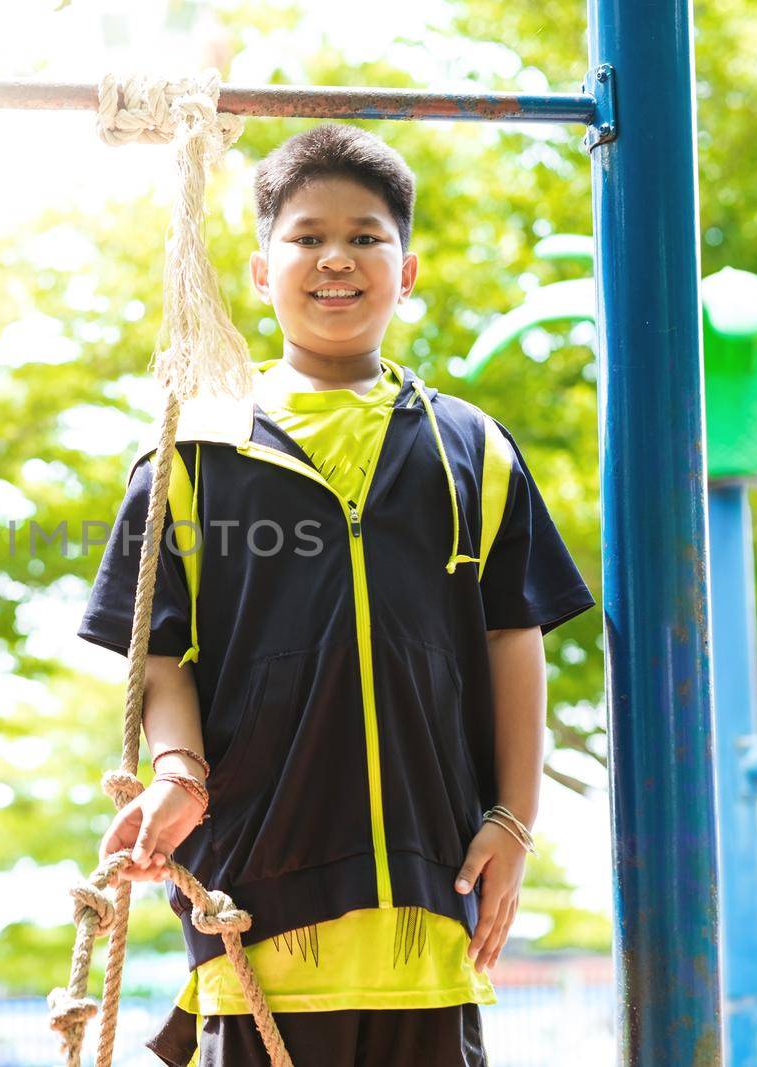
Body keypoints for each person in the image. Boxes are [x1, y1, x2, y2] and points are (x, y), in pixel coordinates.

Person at [76, 123, 595, 1066]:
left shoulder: (472, 447)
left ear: (408, 269)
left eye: (366, 235)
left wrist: (515, 819)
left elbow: (513, 636)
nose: (336, 258)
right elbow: (158, 650)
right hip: (255, 909)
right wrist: (177, 772)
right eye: (307, 236)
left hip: (431, 903)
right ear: (261, 266)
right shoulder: (192, 451)